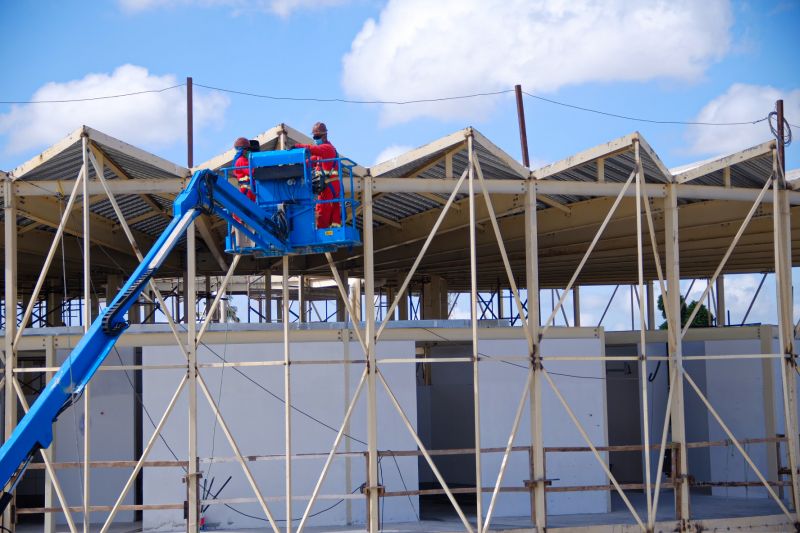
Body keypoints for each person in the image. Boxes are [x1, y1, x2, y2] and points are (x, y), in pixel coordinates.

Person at [293, 122, 341, 229]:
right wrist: (295, 165)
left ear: (324, 136)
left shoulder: (327, 148)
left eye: (317, 136)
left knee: (322, 210)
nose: (315, 138)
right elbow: (310, 160)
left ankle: (322, 232)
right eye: (314, 136)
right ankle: (329, 230)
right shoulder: (323, 153)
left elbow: (313, 149)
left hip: (328, 186)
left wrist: (298, 146)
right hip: (328, 186)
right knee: (329, 211)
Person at [233, 136, 256, 202]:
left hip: (247, 186)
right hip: (247, 188)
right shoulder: (241, 160)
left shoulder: (238, 160)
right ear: (243, 150)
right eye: (247, 149)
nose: (248, 151)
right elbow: (252, 171)